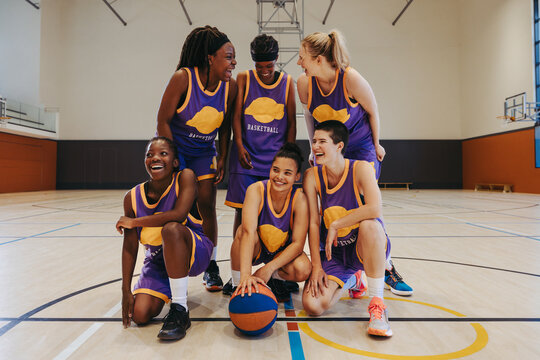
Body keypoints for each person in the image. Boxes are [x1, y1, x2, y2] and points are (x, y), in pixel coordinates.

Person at [296, 29, 412, 297]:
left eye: (303, 58)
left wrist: (377, 144)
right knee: (334, 202)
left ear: (319, 60)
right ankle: (350, 267)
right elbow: (309, 116)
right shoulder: (304, 84)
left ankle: (387, 266)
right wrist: (313, 146)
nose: (299, 63)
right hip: (333, 148)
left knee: (366, 205)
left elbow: (373, 111)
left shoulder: (350, 79)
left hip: (360, 147)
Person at [156, 25, 238, 292]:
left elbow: (225, 127)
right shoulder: (183, 78)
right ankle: (162, 264)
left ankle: (211, 266)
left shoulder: (230, 87)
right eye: (228, 56)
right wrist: (173, 159)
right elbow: (163, 120)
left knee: (207, 204)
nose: (233, 62)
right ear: (210, 58)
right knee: (175, 209)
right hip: (178, 151)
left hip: (205, 151)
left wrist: (223, 155)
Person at [116, 137, 214, 341]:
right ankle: (171, 285)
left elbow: (178, 215)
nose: (155, 158)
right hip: (158, 261)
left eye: (163, 153)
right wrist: (126, 290)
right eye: (149, 155)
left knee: (171, 229)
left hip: (195, 251)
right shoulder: (132, 197)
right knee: (140, 314)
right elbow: (130, 246)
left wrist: (135, 222)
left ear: (175, 162)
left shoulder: (185, 177)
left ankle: (180, 309)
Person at [223, 34, 298, 296]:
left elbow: (291, 123)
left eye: (269, 67)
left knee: (277, 215)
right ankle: (236, 274)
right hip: (247, 156)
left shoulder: (288, 83)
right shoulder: (243, 78)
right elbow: (235, 117)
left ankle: (272, 272)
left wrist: (286, 158)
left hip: (274, 161)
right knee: (242, 213)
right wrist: (239, 145)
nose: (265, 72)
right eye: (260, 67)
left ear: (277, 61)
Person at [302, 121, 392, 337]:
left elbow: (375, 208)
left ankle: (377, 305)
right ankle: (352, 279)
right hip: (335, 253)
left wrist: (336, 224)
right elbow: (313, 223)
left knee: (370, 225)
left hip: (364, 247)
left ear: (339, 146)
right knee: (313, 306)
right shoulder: (312, 176)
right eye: (314, 141)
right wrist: (316, 266)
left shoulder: (361, 168)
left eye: (322, 141)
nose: (315, 146)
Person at [227, 143, 311, 302]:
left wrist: (268, 269)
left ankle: (275, 278)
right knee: (241, 232)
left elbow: (298, 244)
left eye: (287, 173)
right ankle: (237, 283)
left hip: (281, 253)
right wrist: (245, 275)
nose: (280, 177)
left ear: (297, 176)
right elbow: (248, 233)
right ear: (270, 169)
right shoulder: (256, 190)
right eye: (276, 170)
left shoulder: (300, 199)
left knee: (304, 269)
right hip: (257, 249)